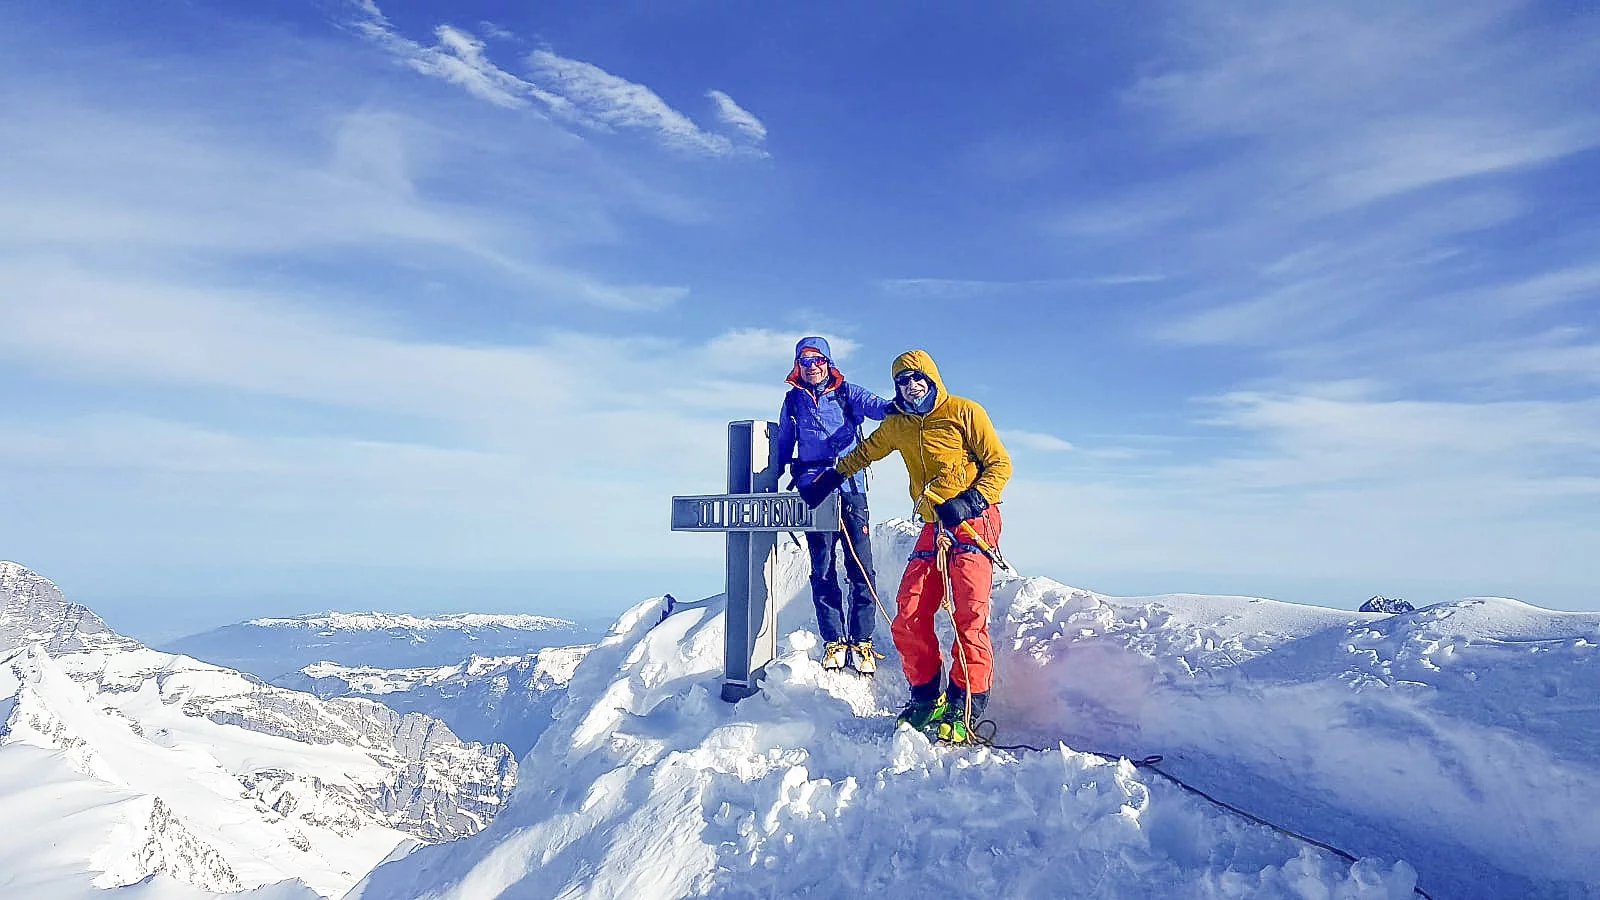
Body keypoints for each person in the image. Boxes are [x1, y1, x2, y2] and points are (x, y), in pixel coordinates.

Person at [799, 349, 1011, 743]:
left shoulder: (965, 412)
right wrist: (829, 479)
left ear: (931, 378)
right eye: (902, 381)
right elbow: (866, 451)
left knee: (968, 614)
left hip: (974, 521)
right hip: (935, 524)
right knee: (909, 612)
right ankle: (927, 696)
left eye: (918, 378)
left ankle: (966, 704)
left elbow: (1000, 464)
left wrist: (969, 501)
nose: (911, 386)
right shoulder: (898, 424)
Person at [776, 337, 893, 674]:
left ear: (828, 362)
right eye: (805, 361)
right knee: (823, 566)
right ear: (798, 365)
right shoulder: (792, 401)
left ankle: (862, 640)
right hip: (815, 488)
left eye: (818, 360)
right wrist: (774, 475)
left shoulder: (846, 392)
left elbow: (878, 407)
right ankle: (834, 641)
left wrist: (899, 406)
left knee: (861, 565)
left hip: (852, 485)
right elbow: (785, 442)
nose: (812, 366)